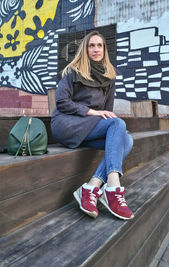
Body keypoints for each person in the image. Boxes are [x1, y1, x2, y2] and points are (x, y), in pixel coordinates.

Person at [51, 31, 134, 220]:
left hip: (89, 127)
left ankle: (91, 187)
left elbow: (108, 112)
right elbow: (62, 102)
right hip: (67, 123)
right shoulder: (73, 71)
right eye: (91, 45)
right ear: (85, 49)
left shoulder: (109, 77)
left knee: (126, 140)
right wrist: (92, 112)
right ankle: (112, 188)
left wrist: (112, 127)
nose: (96, 49)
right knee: (118, 126)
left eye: (99, 46)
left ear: (105, 50)